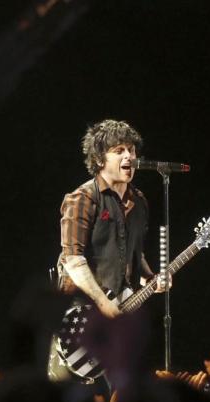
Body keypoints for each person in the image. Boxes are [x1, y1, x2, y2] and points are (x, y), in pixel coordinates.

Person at [48, 119, 168, 385]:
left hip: (118, 316)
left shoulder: (139, 202)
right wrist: (103, 304)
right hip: (79, 319)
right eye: (119, 150)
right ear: (100, 159)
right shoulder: (84, 198)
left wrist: (151, 278)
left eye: (132, 150)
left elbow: (134, 254)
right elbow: (73, 261)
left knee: (126, 398)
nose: (129, 156)